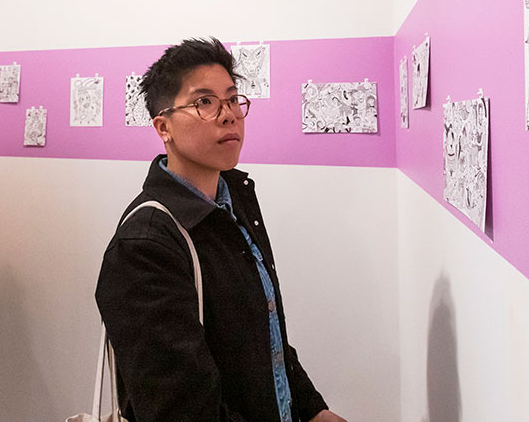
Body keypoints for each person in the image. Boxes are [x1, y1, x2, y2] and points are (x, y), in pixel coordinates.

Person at [95, 37, 346, 422]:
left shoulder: (236, 200)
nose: (228, 114)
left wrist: (312, 410)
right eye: (204, 102)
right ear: (164, 127)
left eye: (232, 99)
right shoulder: (144, 245)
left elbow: (266, 333)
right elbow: (180, 410)